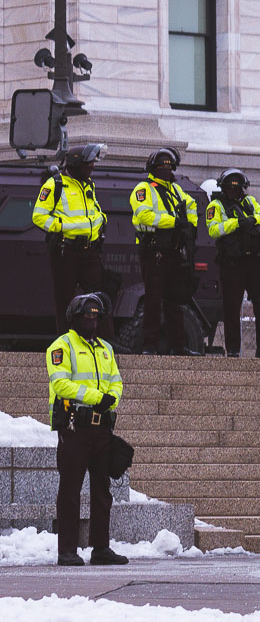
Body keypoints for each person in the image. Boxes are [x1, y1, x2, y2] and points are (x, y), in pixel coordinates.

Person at [46, 293, 128, 567]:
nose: (91, 320)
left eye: (96, 316)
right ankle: (67, 550)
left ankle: (101, 548)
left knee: (102, 491)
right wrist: (96, 397)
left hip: (102, 429)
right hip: (74, 428)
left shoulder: (106, 348)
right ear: (75, 317)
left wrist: (110, 399)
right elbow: (61, 385)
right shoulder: (62, 346)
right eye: (86, 316)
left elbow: (116, 381)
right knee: (70, 490)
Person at [130, 147, 200, 355]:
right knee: (153, 298)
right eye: (161, 167)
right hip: (154, 251)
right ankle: (149, 346)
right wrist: (176, 222)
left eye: (169, 168)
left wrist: (189, 225)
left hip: (174, 251)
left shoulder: (176, 190)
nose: (166, 171)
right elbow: (145, 216)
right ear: (153, 168)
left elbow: (192, 205)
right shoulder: (143, 189)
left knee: (175, 301)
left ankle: (178, 346)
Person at [33, 144, 109, 336]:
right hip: (66, 251)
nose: (93, 166)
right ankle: (66, 340)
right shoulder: (55, 185)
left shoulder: (88, 184)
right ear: (76, 164)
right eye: (89, 163)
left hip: (90, 250)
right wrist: (63, 227)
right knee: (65, 299)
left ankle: (98, 340)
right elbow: (39, 217)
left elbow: (96, 210)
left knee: (97, 295)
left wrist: (101, 222)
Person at [206, 169, 260, 358]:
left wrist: (253, 219)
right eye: (230, 188)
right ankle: (234, 350)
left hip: (255, 260)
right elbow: (213, 229)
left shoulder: (249, 202)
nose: (234, 191)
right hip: (232, 263)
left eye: (237, 188)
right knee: (232, 306)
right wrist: (236, 224)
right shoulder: (216, 205)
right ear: (224, 188)